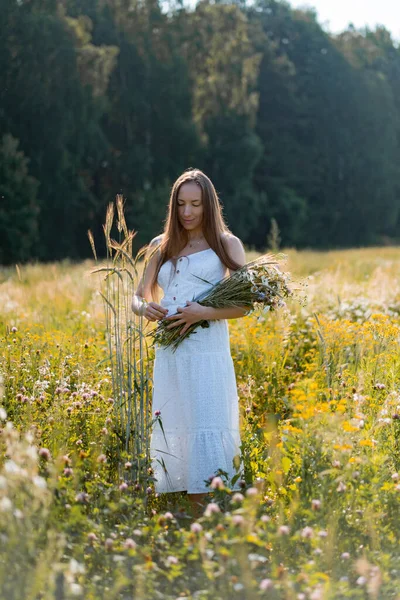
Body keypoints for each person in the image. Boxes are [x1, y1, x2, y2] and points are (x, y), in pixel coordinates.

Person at [132, 168, 248, 517]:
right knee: (176, 426)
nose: (187, 212)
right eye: (181, 204)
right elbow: (138, 296)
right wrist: (145, 308)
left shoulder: (226, 244)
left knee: (205, 422)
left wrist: (202, 312)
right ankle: (183, 522)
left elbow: (244, 305)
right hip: (170, 353)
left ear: (208, 204)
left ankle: (210, 520)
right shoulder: (161, 245)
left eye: (195, 204)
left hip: (207, 353)